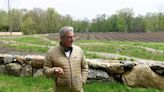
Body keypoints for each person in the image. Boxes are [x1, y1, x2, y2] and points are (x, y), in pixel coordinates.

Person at [44, 26, 88, 92]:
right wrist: (54, 70)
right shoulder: (51, 52)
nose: (72, 39)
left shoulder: (79, 50)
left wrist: (82, 81)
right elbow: (45, 71)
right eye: (69, 37)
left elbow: (85, 67)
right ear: (61, 38)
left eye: (73, 36)